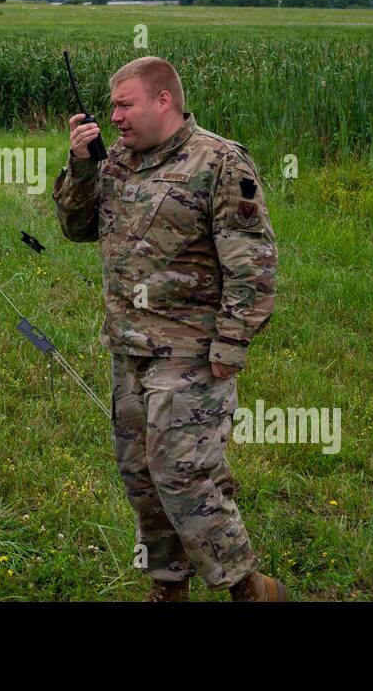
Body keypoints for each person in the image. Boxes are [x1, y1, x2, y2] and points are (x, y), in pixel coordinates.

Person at [52, 55, 285, 602]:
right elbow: (76, 228)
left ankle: (249, 588)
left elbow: (253, 261)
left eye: (124, 104)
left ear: (164, 101)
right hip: (128, 347)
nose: (115, 117)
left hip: (192, 349)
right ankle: (167, 586)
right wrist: (81, 165)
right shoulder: (115, 163)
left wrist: (233, 340)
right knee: (140, 474)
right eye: (111, 107)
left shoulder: (218, 161)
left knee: (182, 473)